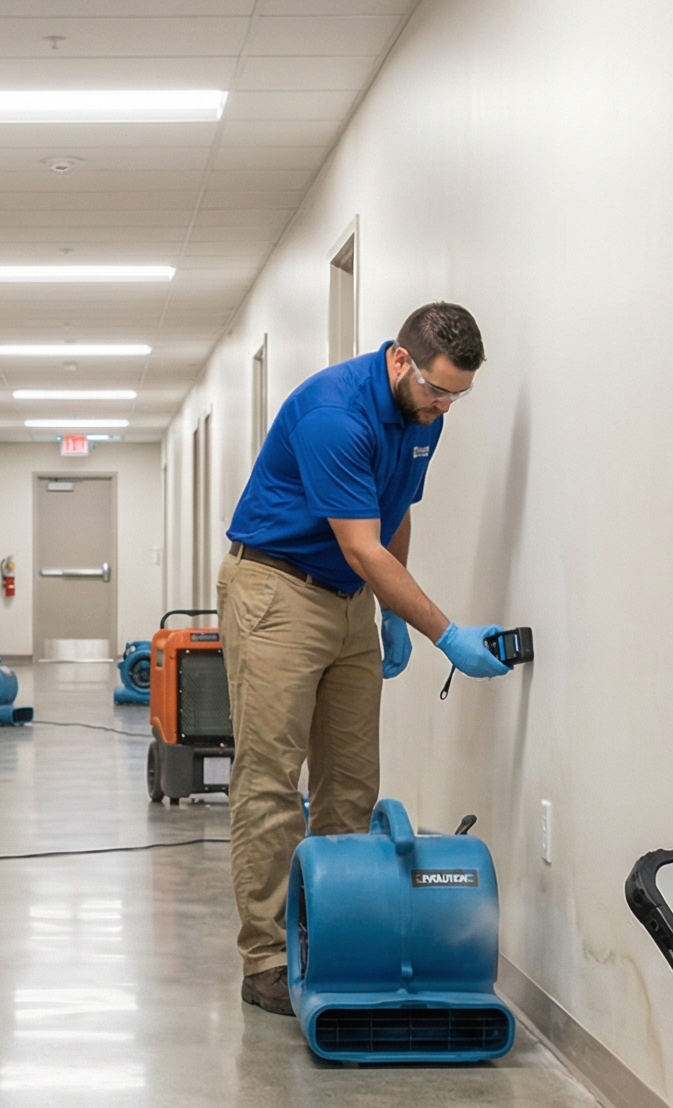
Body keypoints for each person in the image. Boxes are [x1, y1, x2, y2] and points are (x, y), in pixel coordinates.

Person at [218, 303, 515, 1015]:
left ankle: (333, 933)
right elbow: (360, 543)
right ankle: (266, 959)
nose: (444, 406)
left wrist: (388, 613)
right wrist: (444, 633)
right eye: (437, 390)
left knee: (351, 781)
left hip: (350, 595)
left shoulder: (424, 418)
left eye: (457, 396)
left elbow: (395, 509)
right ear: (399, 360)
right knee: (269, 776)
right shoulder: (334, 414)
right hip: (277, 587)